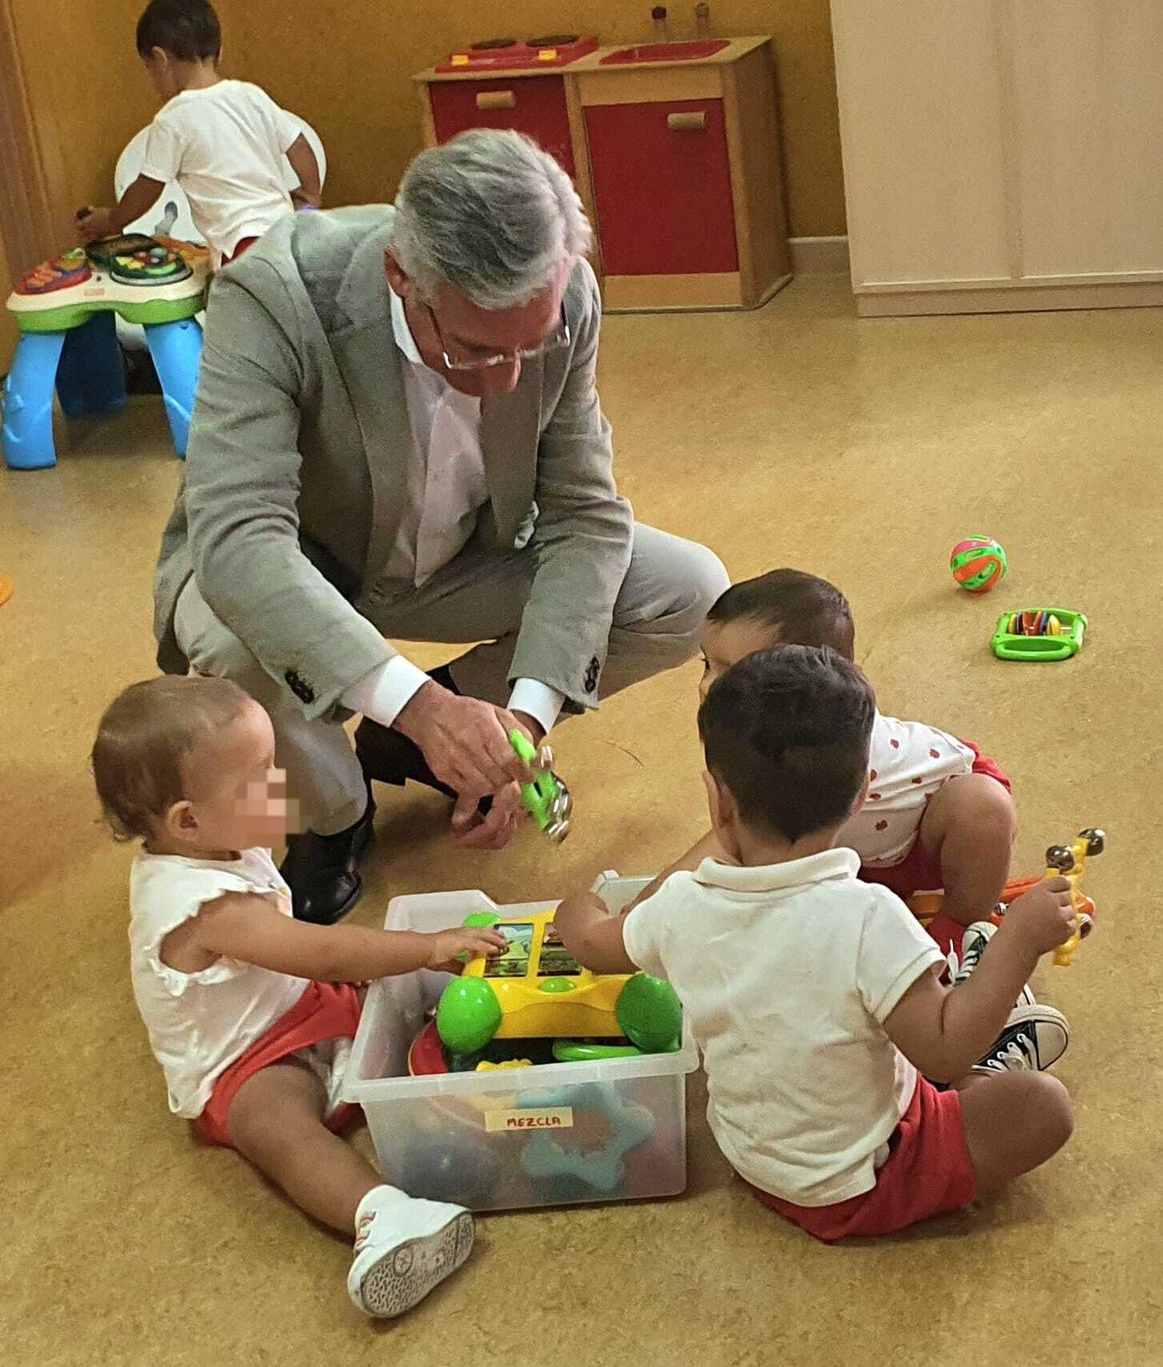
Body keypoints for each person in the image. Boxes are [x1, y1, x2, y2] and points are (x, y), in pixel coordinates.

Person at [151, 127, 728, 922]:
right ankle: (335, 811)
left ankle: (418, 741)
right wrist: (419, 705)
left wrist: (519, 722)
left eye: (533, 345)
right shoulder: (271, 295)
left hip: (461, 559)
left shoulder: (566, 298)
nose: (506, 381)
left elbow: (584, 516)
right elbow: (239, 540)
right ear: (400, 274)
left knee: (691, 591)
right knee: (223, 637)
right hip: (306, 563)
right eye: (476, 349)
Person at [555, 646, 1074, 1240]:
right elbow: (943, 1051)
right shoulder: (869, 916)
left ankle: (976, 1069)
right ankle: (990, 1056)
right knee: (1041, 1106)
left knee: (899, 1041)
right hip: (863, 1181)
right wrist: (1021, 941)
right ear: (861, 798)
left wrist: (580, 906)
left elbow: (594, 945)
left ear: (717, 801)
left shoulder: (677, 905)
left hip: (754, 1160)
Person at [92, 675, 507, 1316]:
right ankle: (381, 1217)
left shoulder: (222, 844)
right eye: (261, 777)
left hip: (298, 1002)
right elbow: (317, 949)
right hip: (246, 1063)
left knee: (394, 995)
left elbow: (314, 965)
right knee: (280, 1129)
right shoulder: (200, 906)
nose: (282, 786)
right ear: (190, 820)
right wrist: (425, 948)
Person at [652, 569, 1016, 956]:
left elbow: (721, 847)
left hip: (927, 838)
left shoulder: (835, 741)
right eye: (707, 665)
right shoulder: (747, 733)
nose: (706, 686)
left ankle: (961, 924)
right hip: (847, 847)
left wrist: (636, 919)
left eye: (733, 673)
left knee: (982, 807)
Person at [76, 0, 320, 263]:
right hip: (288, 236)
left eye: (149, 69)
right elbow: (299, 144)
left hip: (242, 249)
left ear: (160, 60)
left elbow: (148, 188)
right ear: (220, 50)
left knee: (240, 305)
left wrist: (111, 219)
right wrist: (310, 194)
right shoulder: (251, 95)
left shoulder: (173, 119)